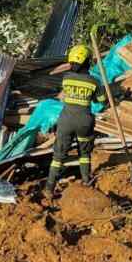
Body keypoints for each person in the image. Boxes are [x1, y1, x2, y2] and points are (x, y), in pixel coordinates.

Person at [45, 45, 109, 196]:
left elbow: (67, 94)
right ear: (87, 61)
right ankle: (86, 181)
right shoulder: (94, 82)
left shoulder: (66, 78)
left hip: (65, 121)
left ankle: (49, 187)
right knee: (84, 152)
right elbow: (101, 101)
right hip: (84, 122)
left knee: (58, 156)